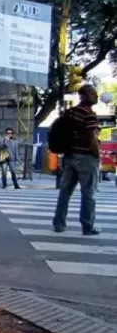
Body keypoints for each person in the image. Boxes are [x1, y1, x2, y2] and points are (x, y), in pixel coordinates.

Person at [53, 84, 101, 235]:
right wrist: (98, 156)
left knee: (65, 191)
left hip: (70, 156)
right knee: (88, 193)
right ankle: (87, 226)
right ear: (86, 95)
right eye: (94, 94)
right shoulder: (89, 114)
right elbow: (92, 139)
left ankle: (59, 224)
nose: (97, 97)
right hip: (86, 157)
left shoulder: (71, 112)